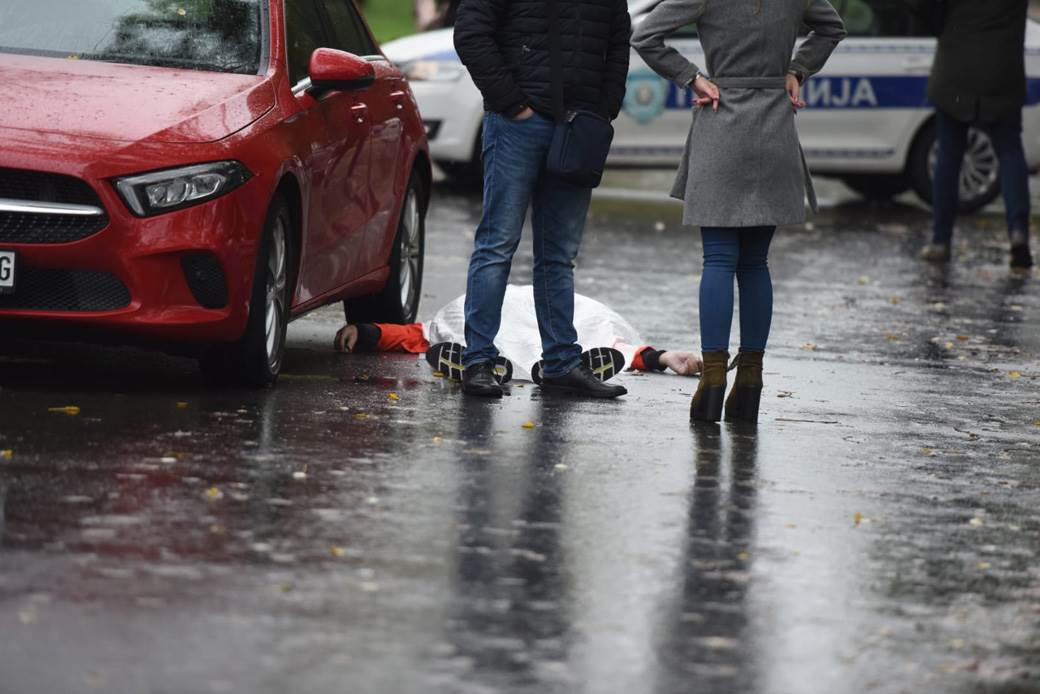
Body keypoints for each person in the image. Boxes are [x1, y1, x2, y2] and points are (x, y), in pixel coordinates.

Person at [632, 0, 846, 424]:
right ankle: (750, 380)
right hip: (774, 126)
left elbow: (643, 35)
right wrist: (795, 70)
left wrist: (691, 77)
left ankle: (712, 380)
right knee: (755, 264)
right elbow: (832, 29)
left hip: (722, 119)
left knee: (718, 258)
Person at [452, 0, 632, 399]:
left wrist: (604, 108)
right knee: (498, 244)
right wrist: (512, 103)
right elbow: (470, 34)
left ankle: (561, 365)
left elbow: (619, 39)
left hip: (580, 125)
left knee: (558, 254)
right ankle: (478, 360)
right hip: (519, 123)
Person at [333, 285, 703, 384]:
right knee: (586, 337)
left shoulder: (479, 299)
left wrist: (369, 334)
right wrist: (368, 333)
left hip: (503, 321)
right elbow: (618, 344)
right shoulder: (565, 300)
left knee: (454, 330)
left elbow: (419, 335)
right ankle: (555, 365)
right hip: (551, 325)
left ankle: (487, 362)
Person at [915, 0, 1034, 270]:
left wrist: (938, 26)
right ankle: (1018, 233)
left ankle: (940, 241)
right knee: (1010, 151)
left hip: (956, 67)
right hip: (1003, 70)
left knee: (949, 155)